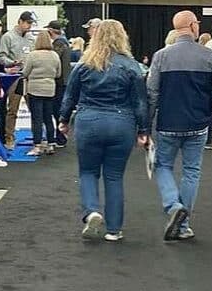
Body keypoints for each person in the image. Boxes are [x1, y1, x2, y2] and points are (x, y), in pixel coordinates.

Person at [58, 19, 148, 242]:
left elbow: (70, 96)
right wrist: (143, 130)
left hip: (89, 122)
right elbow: (140, 102)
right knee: (114, 177)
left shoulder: (84, 65)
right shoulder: (131, 66)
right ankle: (114, 230)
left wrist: (63, 119)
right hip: (122, 124)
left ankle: (92, 211)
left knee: (88, 172)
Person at [148, 11, 212, 242]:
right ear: (192, 26)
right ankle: (184, 226)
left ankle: (173, 206)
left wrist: (147, 124)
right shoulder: (210, 56)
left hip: (168, 123)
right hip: (197, 125)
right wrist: (209, 118)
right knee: (192, 171)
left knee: (162, 166)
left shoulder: (160, 56)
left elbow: (152, 92)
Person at [0, 12, 37, 148]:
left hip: (30, 76)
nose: (29, 26)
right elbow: (1, 57)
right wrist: (12, 62)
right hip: (15, 76)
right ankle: (9, 138)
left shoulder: (31, 38)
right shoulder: (8, 37)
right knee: (12, 109)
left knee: (34, 108)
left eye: (31, 23)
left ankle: (36, 138)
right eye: (27, 23)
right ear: (20, 21)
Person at [21, 30, 61, 156]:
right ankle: (51, 144)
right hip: (50, 89)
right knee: (48, 117)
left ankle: (37, 145)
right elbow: (58, 73)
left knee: (37, 118)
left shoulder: (33, 55)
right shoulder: (54, 55)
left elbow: (25, 72)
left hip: (35, 89)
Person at [47, 20, 73, 147]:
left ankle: (60, 136)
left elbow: (54, 60)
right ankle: (61, 136)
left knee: (57, 110)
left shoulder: (59, 44)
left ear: (51, 31)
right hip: (64, 80)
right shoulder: (65, 42)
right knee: (59, 109)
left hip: (59, 81)